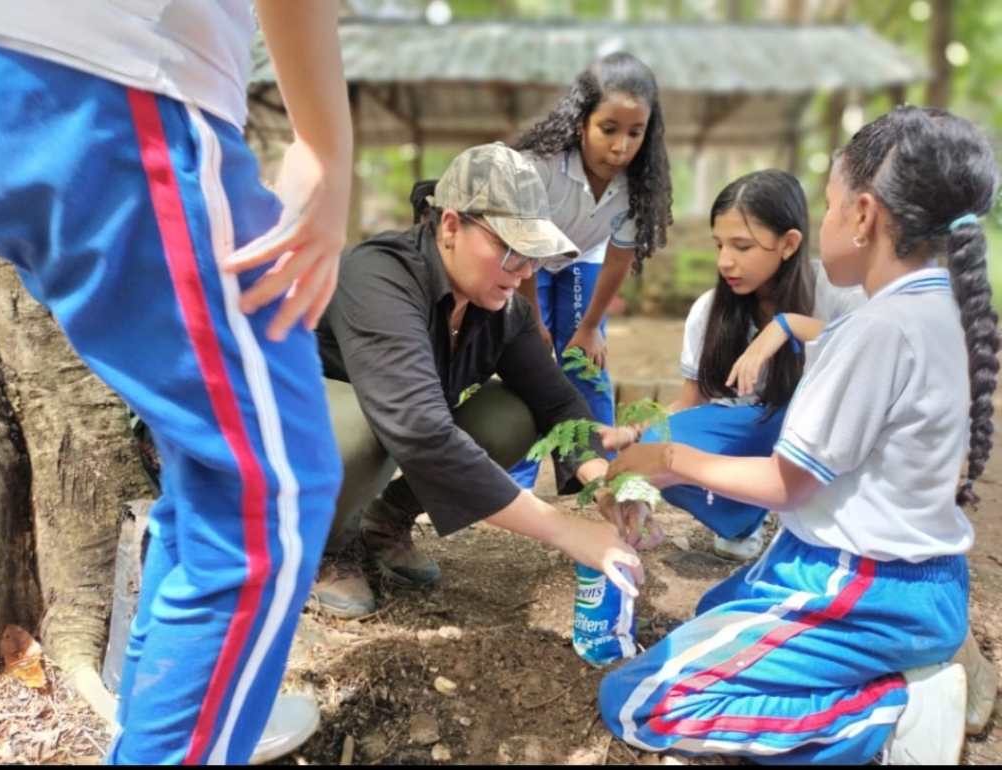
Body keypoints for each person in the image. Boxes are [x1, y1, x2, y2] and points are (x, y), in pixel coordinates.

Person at [0, 2, 351, 764]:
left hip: (52, 86)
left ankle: (155, 729)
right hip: (111, 82)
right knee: (272, 487)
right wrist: (326, 146)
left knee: (212, 480)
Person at [599, 106, 998, 764]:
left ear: (865, 215)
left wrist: (667, 455)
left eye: (833, 203)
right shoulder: (937, 309)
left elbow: (786, 482)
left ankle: (893, 716)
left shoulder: (880, 330)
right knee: (714, 607)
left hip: (861, 586)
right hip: (909, 578)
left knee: (642, 700)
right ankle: (892, 674)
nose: (827, 221)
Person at [312, 142, 648, 619]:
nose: (524, 272)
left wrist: (603, 483)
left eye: (533, 256)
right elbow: (420, 429)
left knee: (515, 413)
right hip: (306, 424)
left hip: (393, 422)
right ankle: (324, 547)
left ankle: (384, 523)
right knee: (364, 428)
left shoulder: (500, 306)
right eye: (511, 250)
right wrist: (565, 530)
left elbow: (557, 404)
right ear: (450, 224)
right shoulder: (380, 276)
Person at [634, 170, 864, 561]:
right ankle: (743, 519)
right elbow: (692, 404)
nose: (725, 261)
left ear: (788, 244)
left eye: (742, 246)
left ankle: (817, 522)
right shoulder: (710, 312)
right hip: (758, 434)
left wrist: (786, 326)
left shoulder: (838, 292)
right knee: (656, 445)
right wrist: (639, 435)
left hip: (827, 442)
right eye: (720, 244)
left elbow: (868, 352)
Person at [506, 51, 674, 489]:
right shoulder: (541, 167)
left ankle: (591, 474)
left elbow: (620, 255)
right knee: (530, 359)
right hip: (528, 261)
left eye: (635, 133)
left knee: (584, 361)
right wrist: (533, 323)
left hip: (582, 259)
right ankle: (515, 481)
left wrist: (591, 326)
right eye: (608, 129)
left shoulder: (638, 185)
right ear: (581, 122)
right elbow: (522, 245)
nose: (621, 147)